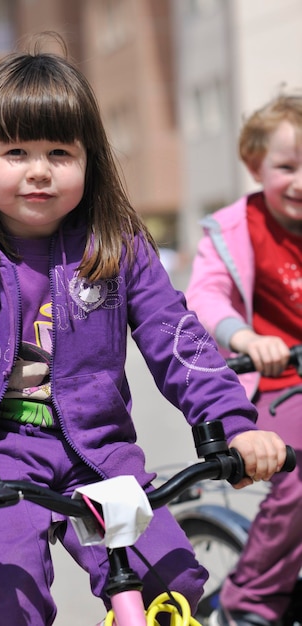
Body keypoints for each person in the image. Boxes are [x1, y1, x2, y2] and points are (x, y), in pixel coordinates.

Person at [0, 37, 287, 626]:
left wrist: (236, 426)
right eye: (16, 152)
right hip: (1, 459)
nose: (39, 170)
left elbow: (178, 341)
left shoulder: (118, 247)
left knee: (171, 579)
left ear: (90, 159)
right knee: (7, 594)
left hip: (100, 456)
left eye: (60, 152)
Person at [186, 92, 302, 626]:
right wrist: (247, 338)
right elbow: (205, 296)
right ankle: (250, 596)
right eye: (286, 166)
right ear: (255, 164)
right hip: (277, 384)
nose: (300, 181)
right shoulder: (236, 227)